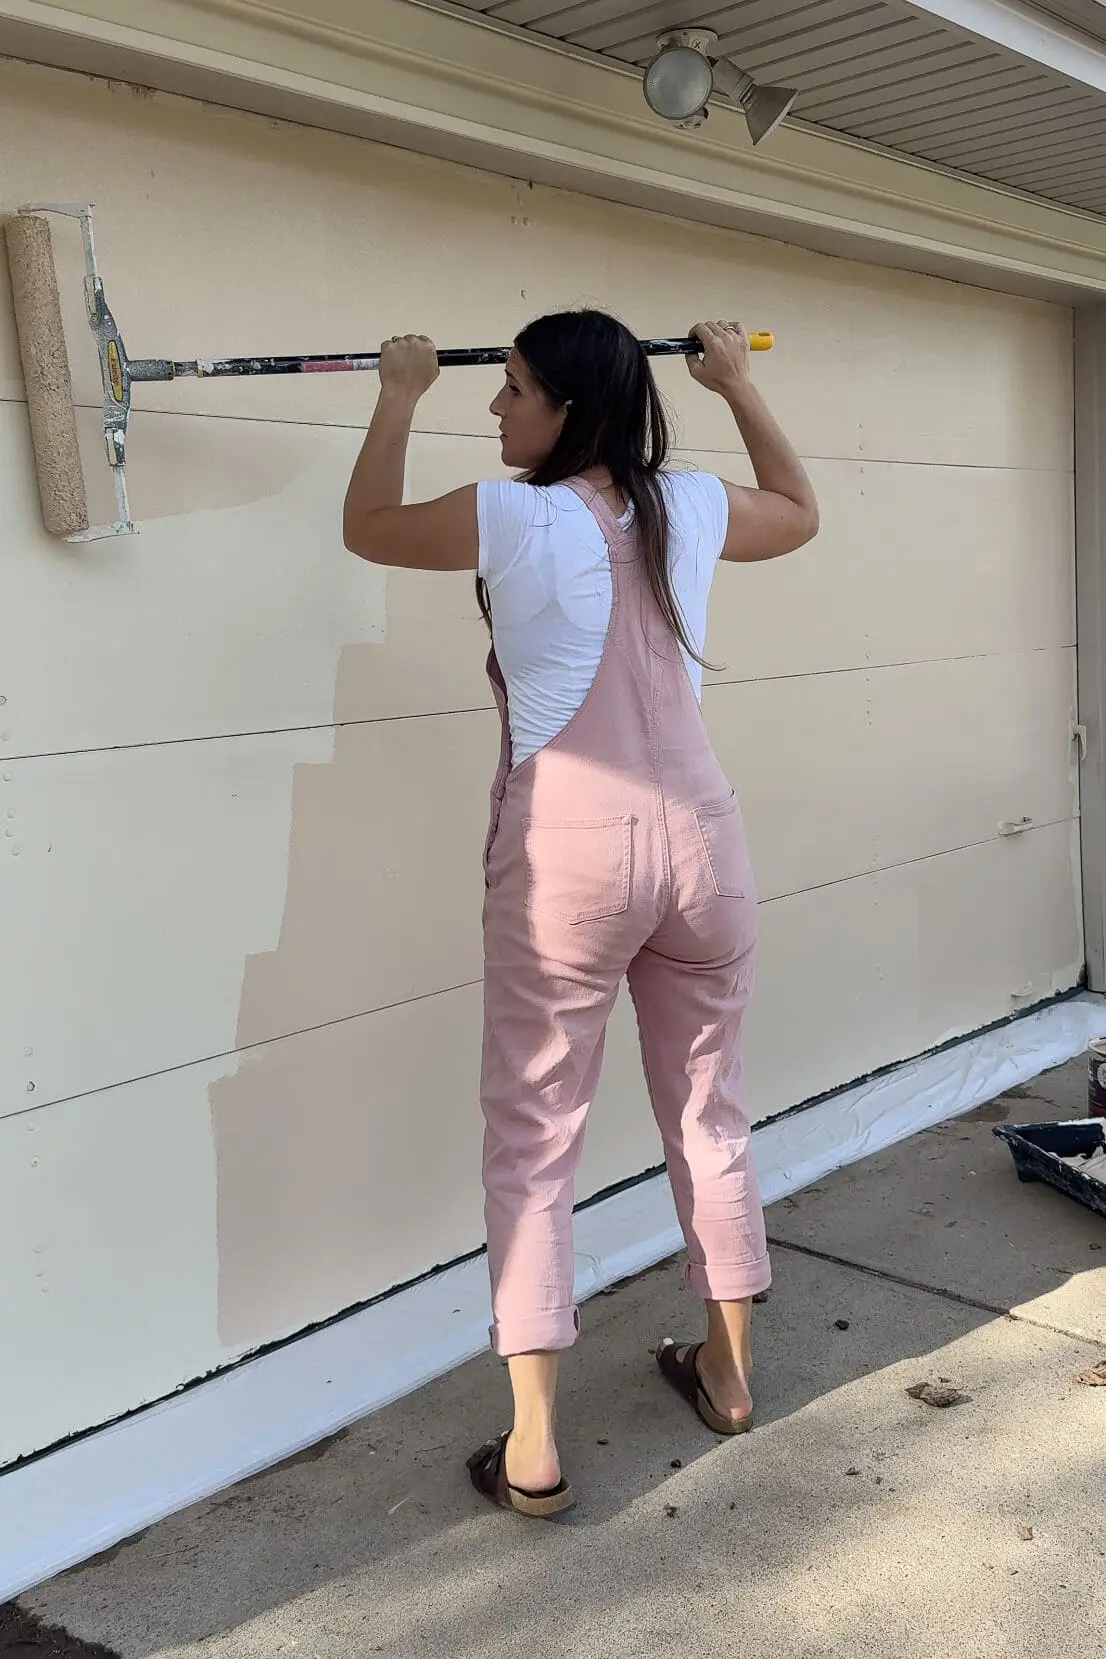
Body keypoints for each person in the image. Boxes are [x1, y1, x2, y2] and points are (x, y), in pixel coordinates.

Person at [343, 311, 818, 1518]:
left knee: (533, 1137)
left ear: (566, 408)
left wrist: (397, 395)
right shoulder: (689, 504)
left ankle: (534, 1448)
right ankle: (727, 1376)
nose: (494, 409)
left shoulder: (510, 516)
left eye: (511, 390)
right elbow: (797, 510)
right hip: (702, 845)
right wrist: (735, 385)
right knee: (709, 1110)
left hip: (569, 857)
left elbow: (366, 525)